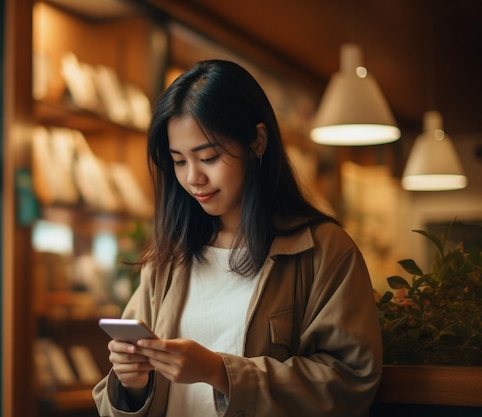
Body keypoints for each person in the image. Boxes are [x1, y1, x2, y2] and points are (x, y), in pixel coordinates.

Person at [93, 59, 382, 417]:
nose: (193, 177)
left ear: (257, 141)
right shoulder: (169, 256)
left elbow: (350, 384)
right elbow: (114, 402)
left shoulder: (323, 249)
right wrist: (132, 384)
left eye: (208, 157)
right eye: (179, 161)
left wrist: (219, 372)